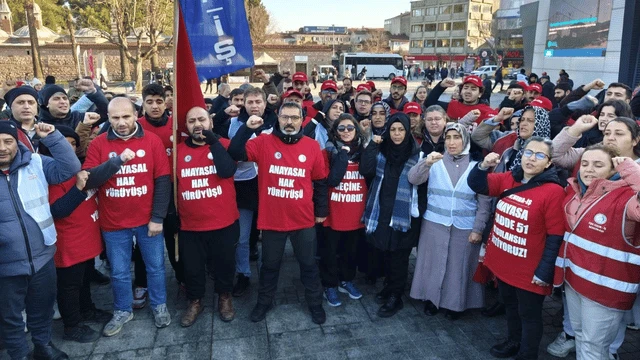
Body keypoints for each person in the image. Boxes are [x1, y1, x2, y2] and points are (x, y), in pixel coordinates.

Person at [228, 102, 328, 325]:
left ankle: (315, 303)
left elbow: (320, 181)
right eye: (285, 117)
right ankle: (264, 302)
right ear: (278, 118)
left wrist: (321, 211)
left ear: (302, 119)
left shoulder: (312, 146)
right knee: (269, 266)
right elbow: (235, 152)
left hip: (303, 219)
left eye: (294, 117)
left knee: (309, 265)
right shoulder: (263, 141)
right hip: (272, 220)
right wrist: (248, 128)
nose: (289, 122)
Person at [468, 137, 566, 360]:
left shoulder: (554, 191)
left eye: (540, 155)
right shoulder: (510, 178)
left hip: (529, 269)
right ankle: (513, 341)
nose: (532, 158)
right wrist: (483, 166)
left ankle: (527, 353)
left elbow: (555, 235)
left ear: (549, 163)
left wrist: (544, 271)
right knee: (510, 306)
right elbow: (478, 184)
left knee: (529, 314)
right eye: (528, 152)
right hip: (504, 260)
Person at [83, 97, 172, 337]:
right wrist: (116, 162)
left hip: (147, 220)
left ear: (136, 115)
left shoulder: (152, 141)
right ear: (108, 118)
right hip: (113, 223)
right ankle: (122, 310)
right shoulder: (99, 144)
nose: (121, 122)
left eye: (126, 116)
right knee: (119, 271)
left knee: (155, 267)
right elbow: (90, 179)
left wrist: (158, 217)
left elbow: (163, 181)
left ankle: (159, 304)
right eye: (115, 118)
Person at [0, 121, 81, 360]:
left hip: (42, 255)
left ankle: (43, 346)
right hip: (6, 264)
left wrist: (53, 137)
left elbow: (69, 168)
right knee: (10, 316)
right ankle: (20, 354)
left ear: (17, 143)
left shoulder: (34, 162)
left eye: (8, 141)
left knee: (42, 307)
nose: (2, 148)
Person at [45, 127, 133, 343]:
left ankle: (86, 310)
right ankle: (72, 326)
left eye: (71, 144)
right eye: (61, 144)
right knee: (69, 286)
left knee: (84, 280)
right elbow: (58, 210)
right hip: (68, 244)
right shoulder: (52, 177)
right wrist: (78, 188)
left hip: (86, 241)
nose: (67, 149)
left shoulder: (82, 168)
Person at [553, 145, 640, 359]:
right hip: (574, 280)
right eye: (585, 163)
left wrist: (632, 171)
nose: (589, 169)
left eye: (598, 164)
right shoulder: (575, 193)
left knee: (594, 346)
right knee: (581, 336)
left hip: (605, 291)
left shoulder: (627, 198)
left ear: (613, 170)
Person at [409, 123, 491, 319]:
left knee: (458, 267)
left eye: (457, 137)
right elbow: (413, 178)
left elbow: (484, 201)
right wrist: (425, 163)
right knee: (433, 264)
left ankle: (456, 304)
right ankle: (431, 299)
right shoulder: (434, 160)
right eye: (448, 138)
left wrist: (478, 229)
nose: (452, 142)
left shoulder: (476, 165)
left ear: (465, 140)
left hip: (464, 227)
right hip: (435, 224)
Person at [176, 107, 239, 326]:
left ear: (210, 121)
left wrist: (213, 142)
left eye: (201, 119)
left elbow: (226, 171)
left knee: (224, 264)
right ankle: (195, 301)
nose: (197, 124)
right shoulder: (178, 152)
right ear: (186, 125)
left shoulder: (225, 145)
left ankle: (224, 297)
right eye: (192, 120)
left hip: (224, 221)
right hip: (191, 225)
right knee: (192, 267)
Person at [360, 113, 421, 318]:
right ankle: (388, 287)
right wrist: (372, 146)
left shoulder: (416, 155)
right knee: (385, 252)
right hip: (382, 211)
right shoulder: (382, 151)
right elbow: (365, 169)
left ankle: (396, 296)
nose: (396, 134)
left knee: (399, 257)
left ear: (407, 131)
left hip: (403, 216)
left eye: (400, 130)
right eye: (393, 130)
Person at [132, 83, 185, 309]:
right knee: (145, 242)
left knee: (175, 238)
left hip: (173, 192)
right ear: (143, 104)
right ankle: (141, 283)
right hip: (144, 193)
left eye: (159, 101)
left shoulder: (177, 126)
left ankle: (182, 276)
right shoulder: (135, 127)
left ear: (166, 102)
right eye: (150, 102)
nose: (155, 106)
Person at [227, 88, 278, 298]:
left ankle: (270, 273)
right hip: (244, 185)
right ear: (244, 104)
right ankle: (244, 274)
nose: (254, 105)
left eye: (258, 101)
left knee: (272, 235)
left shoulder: (274, 123)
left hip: (270, 184)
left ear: (265, 104)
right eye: (250, 102)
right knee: (243, 236)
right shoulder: (234, 123)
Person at [318, 114, 367, 307]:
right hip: (333, 212)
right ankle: (329, 285)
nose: (346, 131)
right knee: (329, 252)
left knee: (350, 251)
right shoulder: (327, 152)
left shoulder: (364, 152)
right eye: (341, 128)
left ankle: (346, 280)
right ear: (335, 132)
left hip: (356, 211)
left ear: (356, 130)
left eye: (350, 128)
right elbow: (326, 182)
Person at [38, 79, 108, 129]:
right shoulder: (41, 126)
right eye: (56, 99)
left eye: (65, 98)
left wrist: (93, 93)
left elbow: (106, 113)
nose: (63, 101)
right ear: (47, 104)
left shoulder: (78, 118)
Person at [427, 76, 496, 123]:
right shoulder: (452, 105)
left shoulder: (487, 111)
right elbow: (429, 103)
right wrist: (441, 86)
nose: (468, 91)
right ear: (461, 91)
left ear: (480, 94)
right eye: (465, 88)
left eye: (473, 89)